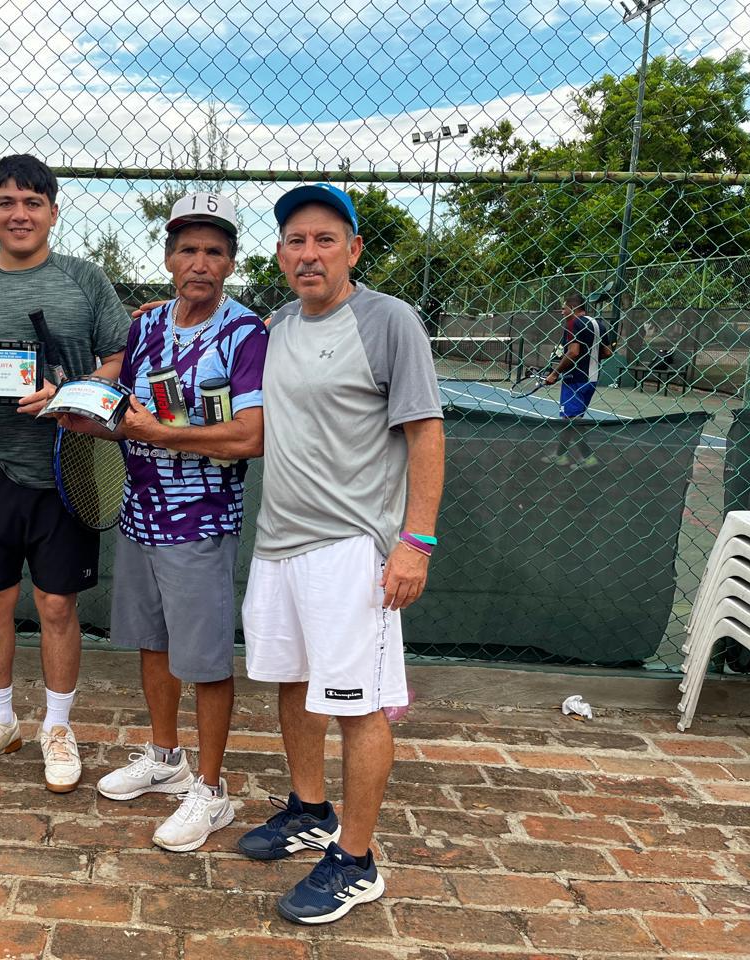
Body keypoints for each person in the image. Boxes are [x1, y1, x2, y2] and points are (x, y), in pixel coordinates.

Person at [237, 183, 444, 925]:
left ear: (354, 249)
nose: (308, 252)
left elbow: (425, 432)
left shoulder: (390, 321)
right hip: (278, 545)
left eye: (326, 239)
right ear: (282, 254)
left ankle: (356, 859)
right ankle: (310, 811)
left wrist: (415, 543)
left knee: (359, 707)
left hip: (352, 551)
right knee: (293, 684)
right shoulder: (279, 323)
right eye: (295, 240)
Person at [0, 154, 129, 793]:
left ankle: (58, 727)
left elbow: (119, 359)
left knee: (56, 603)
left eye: (33, 203)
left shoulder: (85, 280)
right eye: (7, 203)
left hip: (67, 468)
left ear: (52, 209)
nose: (20, 214)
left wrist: (68, 393)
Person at [84, 192, 267, 851]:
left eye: (214, 251)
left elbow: (251, 436)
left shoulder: (247, 335)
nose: (200, 262)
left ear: (230, 263)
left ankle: (212, 791)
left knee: (207, 660)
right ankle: (166, 758)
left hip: (201, 522)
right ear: (167, 258)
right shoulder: (147, 326)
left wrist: (159, 434)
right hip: (140, 515)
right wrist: (72, 407)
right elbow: (120, 412)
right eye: (187, 249)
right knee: (153, 643)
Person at [544, 290, 602, 467]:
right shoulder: (598, 324)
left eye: (564, 308)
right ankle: (560, 454)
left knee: (572, 421)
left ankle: (587, 457)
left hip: (575, 380)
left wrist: (554, 373)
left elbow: (574, 352)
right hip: (591, 379)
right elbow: (606, 351)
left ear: (573, 307)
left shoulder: (572, 323)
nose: (562, 312)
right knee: (571, 419)